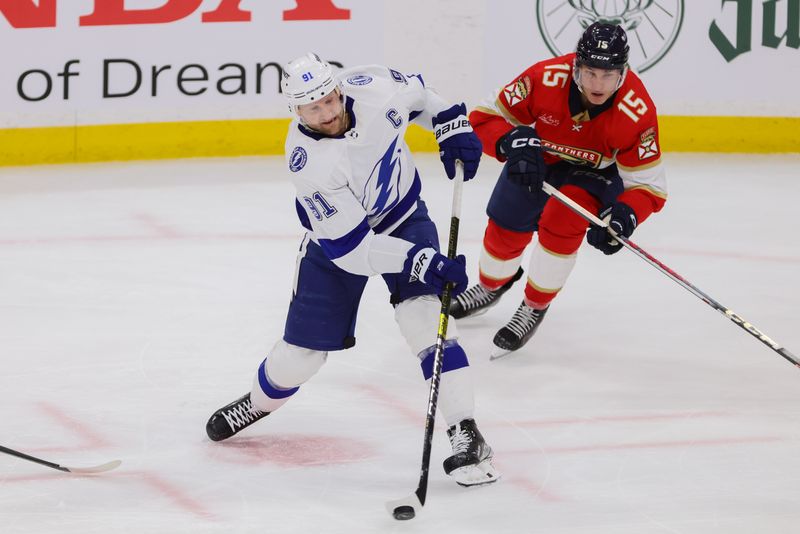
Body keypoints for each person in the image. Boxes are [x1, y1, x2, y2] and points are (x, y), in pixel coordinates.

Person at [206, 53, 499, 487]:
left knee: (423, 317)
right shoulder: (308, 163)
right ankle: (257, 402)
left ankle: (466, 431)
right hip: (338, 244)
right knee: (300, 357)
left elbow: (421, 98)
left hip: (404, 216)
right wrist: (420, 260)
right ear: (295, 111)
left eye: (329, 98)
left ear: (339, 88)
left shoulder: (373, 87)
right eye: (313, 107)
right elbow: (353, 252)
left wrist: (450, 124)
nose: (327, 112)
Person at [450, 22, 667, 358]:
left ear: (622, 73)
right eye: (591, 72)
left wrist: (625, 215)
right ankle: (492, 285)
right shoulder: (544, 77)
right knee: (506, 222)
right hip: (539, 160)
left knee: (561, 222)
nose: (598, 84)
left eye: (608, 75)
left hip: (596, 175)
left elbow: (649, 187)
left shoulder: (636, 111)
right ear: (575, 66)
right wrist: (510, 142)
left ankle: (535, 305)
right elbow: (482, 119)